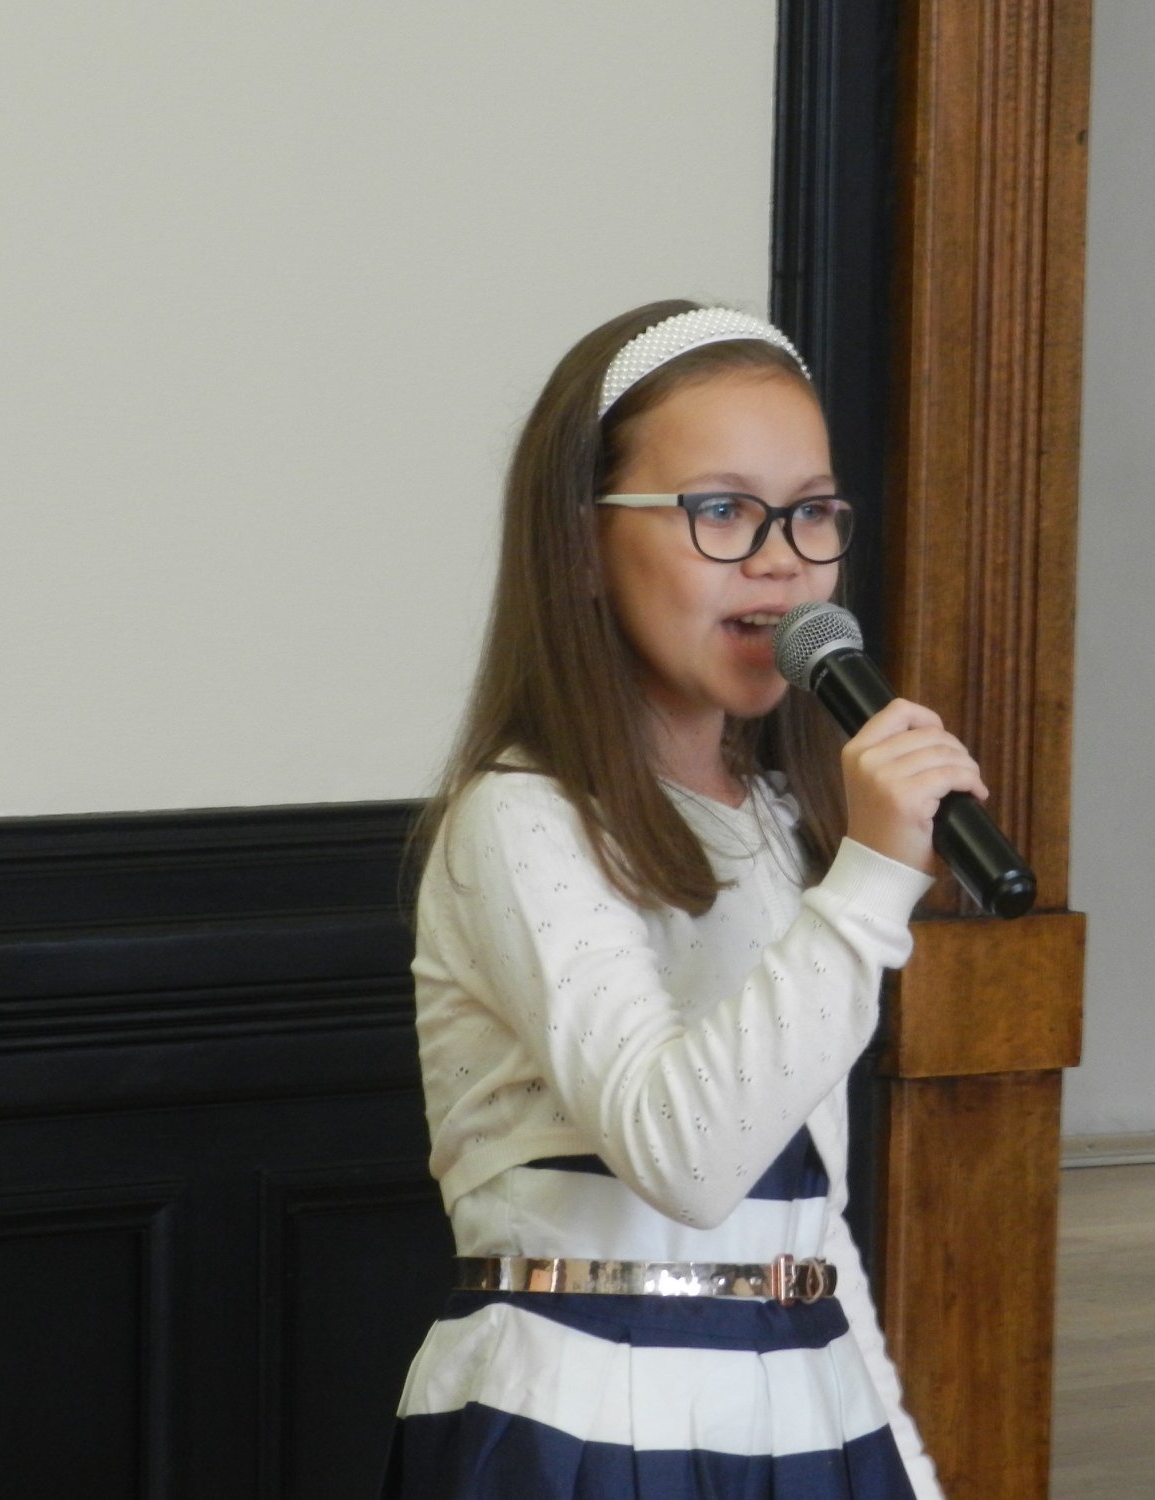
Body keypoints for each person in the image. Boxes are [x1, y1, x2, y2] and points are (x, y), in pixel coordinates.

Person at [382, 300, 983, 1499]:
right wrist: (871, 882)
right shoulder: (520, 820)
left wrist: (909, 1474)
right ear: (580, 547)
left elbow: (805, 1233)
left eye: (812, 512)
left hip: (806, 1417)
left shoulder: (782, 828)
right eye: (720, 510)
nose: (781, 556)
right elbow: (688, 1161)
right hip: (582, 1417)